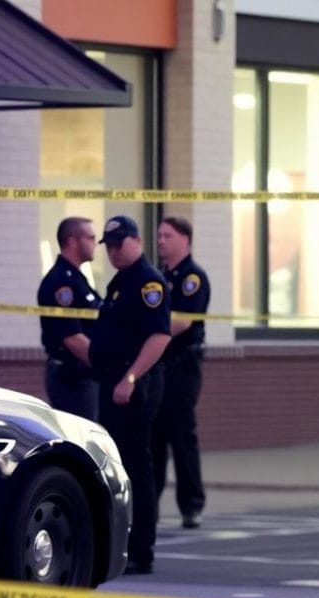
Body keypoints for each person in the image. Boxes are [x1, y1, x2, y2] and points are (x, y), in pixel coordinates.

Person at [89, 215, 171, 575]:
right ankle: (123, 545)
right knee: (119, 464)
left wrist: (131, 377)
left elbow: (159, 337)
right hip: (114, 383)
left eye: (119, 244)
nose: (114, 251)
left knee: (138, 466)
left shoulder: (148, 282)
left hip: (134, 387)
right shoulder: (121, 282)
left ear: (136, 240)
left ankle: (142, 549)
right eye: (109, 246)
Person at [151, 216, 211, 529]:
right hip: (159, 365)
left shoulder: (192, 278)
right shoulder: (159, 277)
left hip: (182, 366)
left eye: (167, 235)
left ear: (184, 240)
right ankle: (150, 506)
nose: (161, 240)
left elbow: (183, 322)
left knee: (181, 436)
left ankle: (191, 505)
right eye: (159, 235)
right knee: (155, 438)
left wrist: (149, 334)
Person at [37, 216, 102, 420]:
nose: (95, 243)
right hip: (72, 378)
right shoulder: (61, 284)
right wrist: (106, 364)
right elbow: (73, 338)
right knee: (84, 441)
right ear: (73, 241)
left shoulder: (77, 279)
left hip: (83, 375)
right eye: (90, 238)